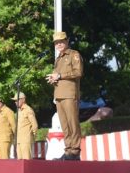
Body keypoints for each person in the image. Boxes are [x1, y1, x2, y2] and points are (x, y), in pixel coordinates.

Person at [46, 31, 83, 161]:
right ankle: (68, 151)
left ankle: (75, 151)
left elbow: (78, 72)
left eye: (61, 41)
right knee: (64, 125)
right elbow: (58, 76)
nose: (59, 44)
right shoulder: (58, 59)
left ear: (67, 41)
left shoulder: (74, 54)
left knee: (72, 123)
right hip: (59, 95)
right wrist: (53, 79)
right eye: (57, 42)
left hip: (69, 94)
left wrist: (60, 76)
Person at [12, 92, 38, 160]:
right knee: (19, 160)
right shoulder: (19, 110)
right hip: (19, 140)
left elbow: (34, 125)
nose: (15, 102)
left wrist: (32, 136)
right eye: (15, 101)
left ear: (23, 100)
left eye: (17, 100)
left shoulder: (28, 110)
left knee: (26, 160)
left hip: (26, 140)